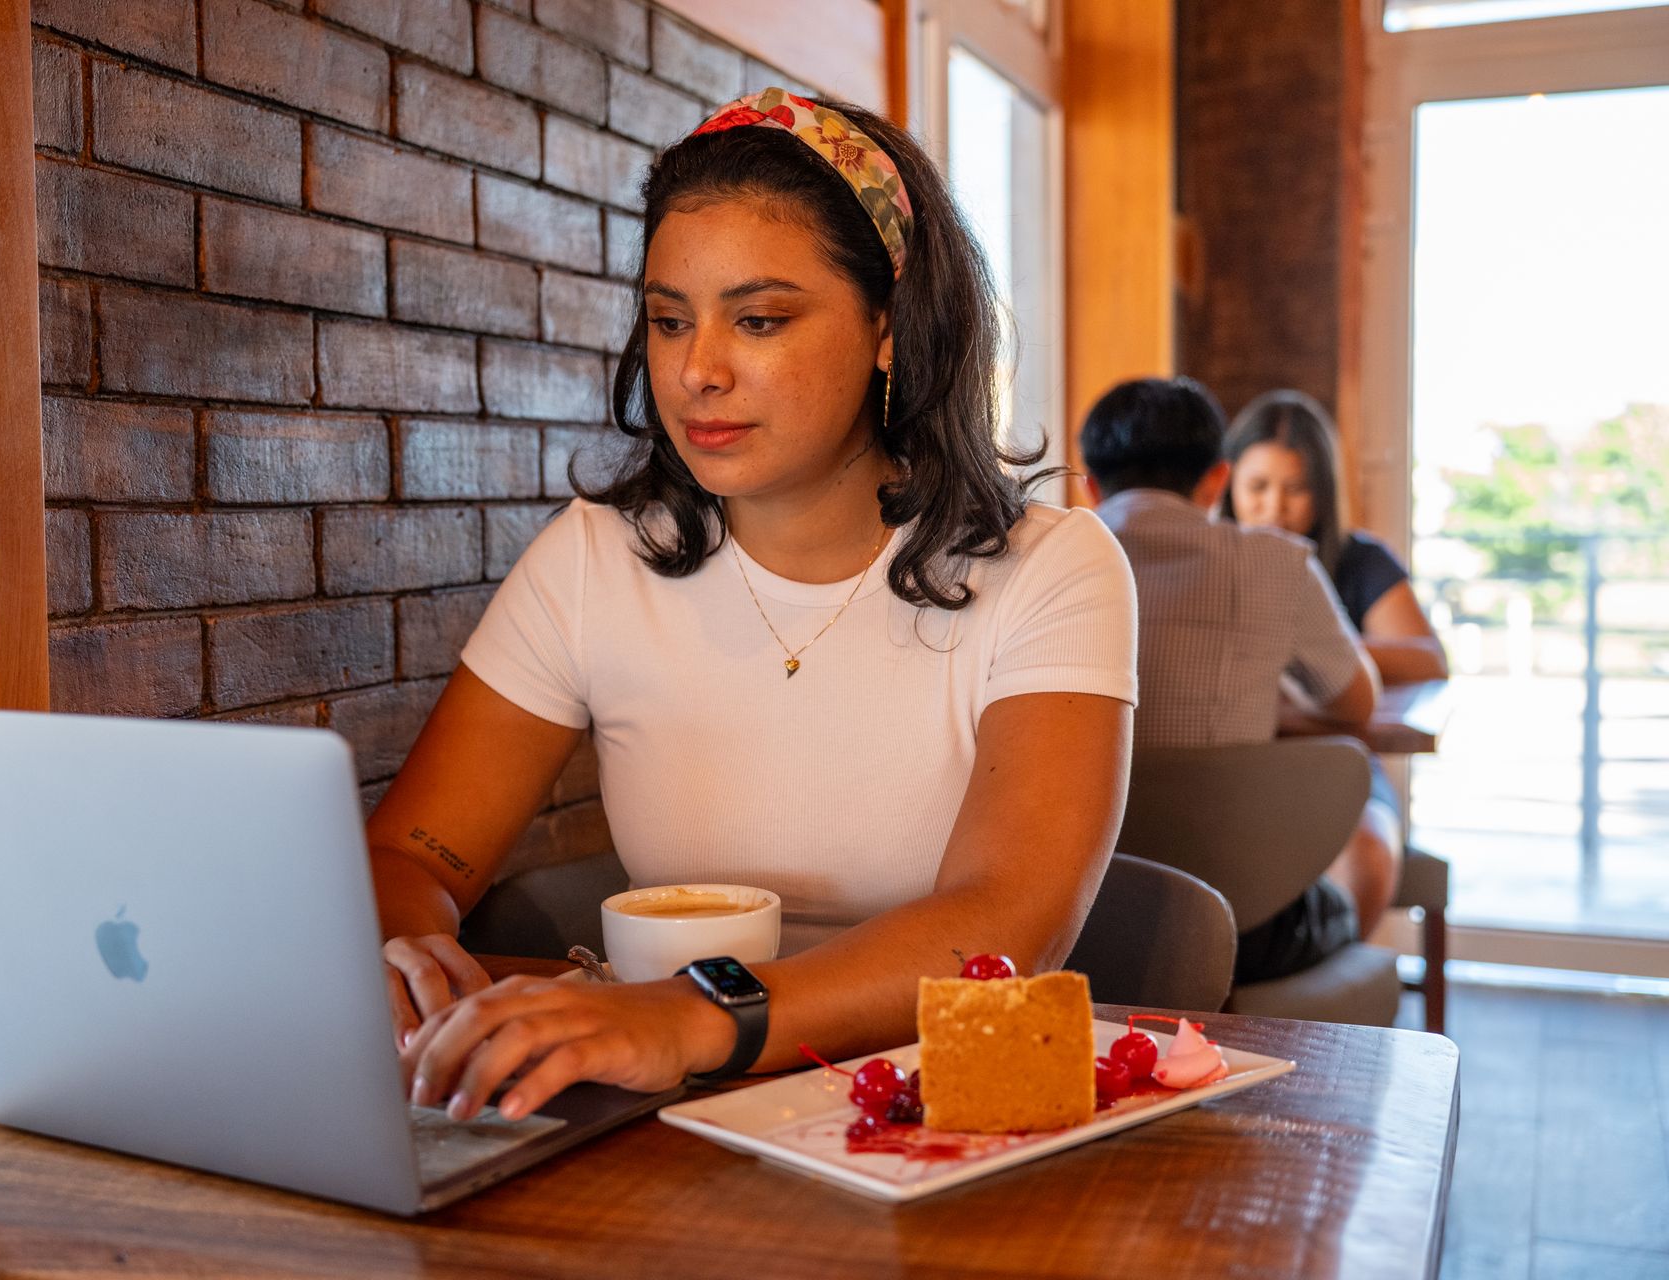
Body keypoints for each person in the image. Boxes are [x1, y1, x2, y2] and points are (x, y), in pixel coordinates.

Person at [363, 88, 1138, 1124]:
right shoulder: (595, 559)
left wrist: (687, 1018)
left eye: (759, 319)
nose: (696, 372)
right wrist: (409, 957)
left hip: (926, 1123)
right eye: (669, 319)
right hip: (668, 1122)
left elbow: (1004, 924)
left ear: (887, 327)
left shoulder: (1053, 568)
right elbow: (412, 855)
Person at [1078, 376, 1379, 984]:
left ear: (1088, 483)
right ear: (1219, 478)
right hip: (1247, 925)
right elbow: (1356, 703)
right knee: (1369, 843)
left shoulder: (1037, 560)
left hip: (1074, 921)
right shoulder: (1276, 562)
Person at [1223, 389, 1450, 935]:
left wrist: (1318, 648)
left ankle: (1334, 992)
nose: (1274, 507)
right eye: (1257, 487)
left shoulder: (1358, 559)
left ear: (1323, 494)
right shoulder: (1209, 560)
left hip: (1339, 762)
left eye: (1295, 489)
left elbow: (1427, 658)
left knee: (1369, 848)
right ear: (1225, 482)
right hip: (1234, 767)